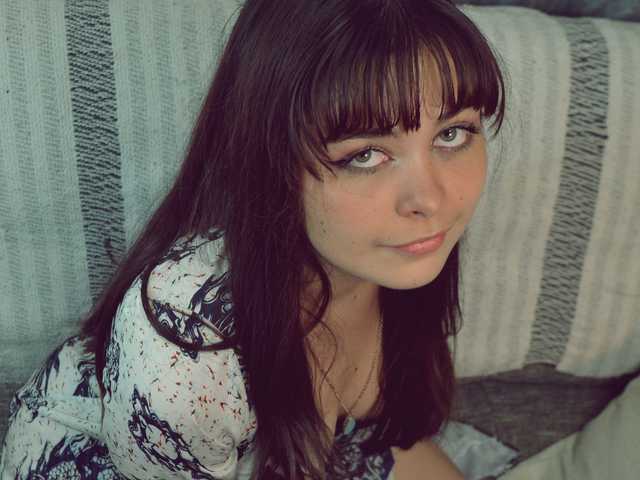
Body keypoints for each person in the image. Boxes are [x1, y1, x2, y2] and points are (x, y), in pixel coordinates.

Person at [0, 0, 505, 478]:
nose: (430, 200)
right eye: (365, 155)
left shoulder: (383, 256)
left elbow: (379, 436)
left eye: (452, 134)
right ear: (272, 161)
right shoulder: (185, 354)